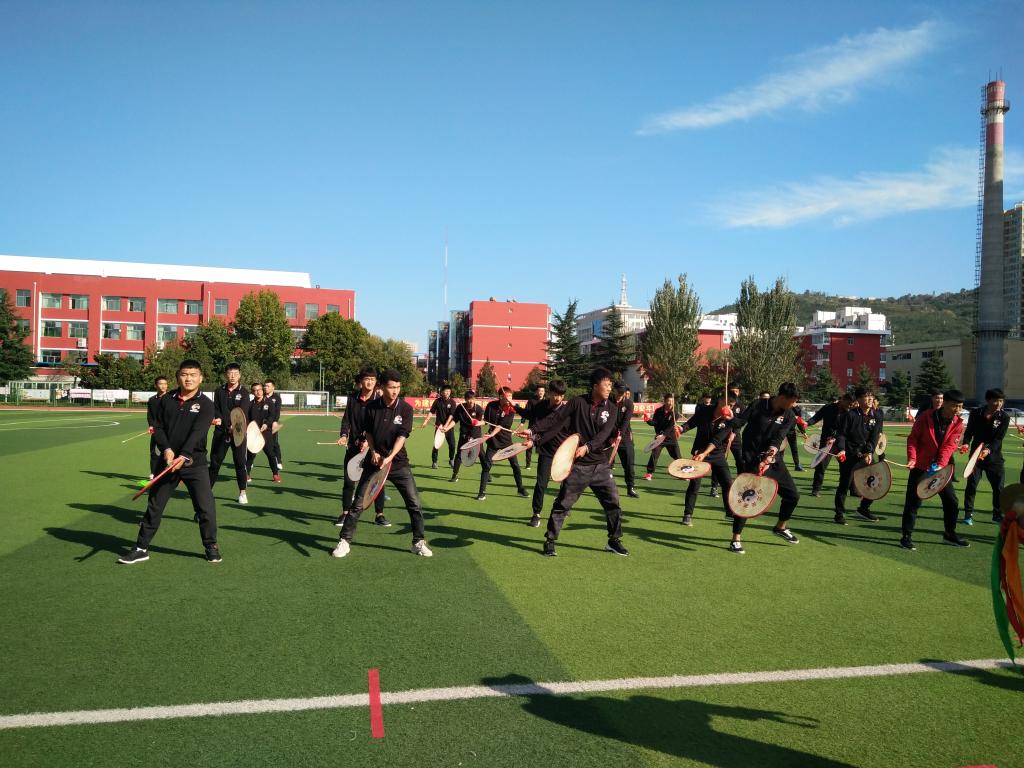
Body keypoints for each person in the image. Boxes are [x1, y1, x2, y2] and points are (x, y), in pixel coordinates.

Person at [118, 359, 221, 564]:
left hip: (194, 463)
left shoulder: (206, 404)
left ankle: (211, 546)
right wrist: (166, 449)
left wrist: (183, 455)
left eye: (193, 375)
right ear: (178, 377)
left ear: (201, 378)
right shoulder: (166, 400)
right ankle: (141, 548)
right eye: (184, 374)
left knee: (205, 507)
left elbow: (198, 433)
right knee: (154, 506)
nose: (188, 378)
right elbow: (157, 427)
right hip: (167, 462)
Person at [521, 367, 627, 557]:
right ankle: (550, 541)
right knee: (563, 504)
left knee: (613, 503)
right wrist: (533, 430)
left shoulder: (612, 408)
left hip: (600, 465)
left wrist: (588, 447)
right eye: (606, 384)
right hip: (578, 466)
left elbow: (604, 435)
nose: (610, 388)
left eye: (611, 385)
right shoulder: (578, 402)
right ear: (595, 386)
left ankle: (614, 540)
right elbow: (555, 418)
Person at [332, 369, 432, 558]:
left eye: (398, 387)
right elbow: (368, 432)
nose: (395, 391)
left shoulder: (405, 409)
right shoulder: (371, 408)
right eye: (391, 387)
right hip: (374, 462)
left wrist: (390, 456)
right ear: (382, 387)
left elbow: (402, 437)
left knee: (414, 504)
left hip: (398, 463)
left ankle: (418, 542)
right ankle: (344, 541)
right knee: (358, 504)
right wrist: (373, 451)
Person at [728, 382, 802, 554]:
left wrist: (770, 455)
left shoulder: (789, 415)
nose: (794, 404)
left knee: (792, 496)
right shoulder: (758, 405)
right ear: (782, 397)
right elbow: (740, 422)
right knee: (746, 498)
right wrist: (729, 417)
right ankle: (735, 539)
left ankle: (780, 527)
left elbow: (779, 438)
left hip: (773, 460)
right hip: (751, 460)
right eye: (792, 401)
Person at [900, 388, 970, 550]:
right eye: (955, 406)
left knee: (951, 501)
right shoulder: (925, 417)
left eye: (961, 406)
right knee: (913, 502)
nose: (958, 410)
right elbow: (913, 439)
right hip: (920, 466)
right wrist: (912, 458)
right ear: (944, 403)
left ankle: (949, 534)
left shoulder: (958, 423)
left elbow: (949, 447)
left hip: (941, 469)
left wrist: (939, 464)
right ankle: (906, 537)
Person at [336, 367, 388, 527]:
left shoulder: (379, 400)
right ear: (361, 381)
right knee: (349, 480)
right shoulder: (353, 398)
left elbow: (379, 423)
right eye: (367, 379)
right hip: (354, 446)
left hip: (374, 448)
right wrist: (344, 435)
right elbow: (346, 419)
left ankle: (379, 514)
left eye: (373, 379)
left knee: (377, 482)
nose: (370, 382)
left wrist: (368, 440)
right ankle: (345, 513)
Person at [832, 387, 882, 525]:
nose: (870, 399)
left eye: (871, 396)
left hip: (866, 454)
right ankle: (839, 514)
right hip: (850, 454)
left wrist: (869, 452)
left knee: (876, 482)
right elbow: (842, 435)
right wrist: (841, 449)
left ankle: (863, 509)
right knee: (844, 485)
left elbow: (874, 437)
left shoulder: (877, 416)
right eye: (866, 396)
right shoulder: (850, 415)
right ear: (859, 399)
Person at [682, 397, 736, 526]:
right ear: (720, 401)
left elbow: (716, 440)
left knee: (727, 483)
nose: (729, 408)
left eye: (732, 406)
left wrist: (705, 453)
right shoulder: (704, 410)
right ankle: (687, 514)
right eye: (727, 404)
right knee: (695, 484)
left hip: (717, 454)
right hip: (699, 451)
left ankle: (730, 512)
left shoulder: (729, 419)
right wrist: (681, 429)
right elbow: (691, 423)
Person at [525, 380, 569, 527]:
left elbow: (553, 430)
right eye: (556, 394)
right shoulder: (541, 407)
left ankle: (562, 506)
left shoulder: (565, 410)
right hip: (546, 451)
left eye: (561, 395)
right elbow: (537, 424)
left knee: (567, 483)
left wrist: (534, 439)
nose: (558, 398)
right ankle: (536, 514)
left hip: (563, 452)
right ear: (549, 393)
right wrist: (531, 434)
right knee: (541, 483)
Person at [963, 388, 1009, 525]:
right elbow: (969, 432)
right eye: (996, 400)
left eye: (1001, 401)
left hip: (994, 458)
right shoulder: (976, 413)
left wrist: (988, 450)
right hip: (975, 457)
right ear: (988, 400)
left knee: (998, 487)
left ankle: (997, 514)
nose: (999, 403)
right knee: (972, 485)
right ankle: (968, 515)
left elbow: (998, 439)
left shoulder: (1004, 417)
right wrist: (966, 443)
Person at [208, 362, 251, 504]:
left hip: (238, 433)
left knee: (240, 463)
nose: (232, 376)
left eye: (235, 373)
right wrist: (219, 419)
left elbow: (243, 411)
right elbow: (216, 408)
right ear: (226, 375)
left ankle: (242, 492)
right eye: (230, 373)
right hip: (221, 432)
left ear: (239, 375)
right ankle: (206, 492)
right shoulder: (219, 391)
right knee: (215, 463)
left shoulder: (244, 392)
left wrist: (235, 425)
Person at [477, 386, 529, 501]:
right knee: (487, 465)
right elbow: (486, 421)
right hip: (493, 442)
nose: (510, 398)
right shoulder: (491, 405)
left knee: (515, 465)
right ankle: (482, 492)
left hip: (506, 441)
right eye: (508, 396)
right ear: (501, 396)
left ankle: (520, 489)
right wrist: (477, 423)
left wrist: (491, 434)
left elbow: (500, 426)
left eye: (511, 396)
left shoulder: (511, 409)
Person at [807, 394, 853, 497]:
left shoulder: (849, 413)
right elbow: (816, 418)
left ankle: (849, 489)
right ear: (842, 400)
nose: (849, 406)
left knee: (846, 467)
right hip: (826, 442)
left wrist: (835, 438)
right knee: (821, 466)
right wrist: (807, 423)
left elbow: (845, 430)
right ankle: (816, 489)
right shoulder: (828, 407)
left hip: (841, 443)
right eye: (848, 403)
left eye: (851, 404)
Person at [246, 382, 281, 482]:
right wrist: (250, 428)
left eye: (259, 390)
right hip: (253, 433)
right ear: (252, 392)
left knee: (270, 454)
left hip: (266, 432)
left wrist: (266, 424)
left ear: (262, 390)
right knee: (251, 455)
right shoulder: (249, 404)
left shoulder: (269, 402)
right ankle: (247, 474)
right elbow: (247, 419)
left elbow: (272, 416)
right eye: (255, 390)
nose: (258, 392)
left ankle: (275, 474)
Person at [644, 393, 681, 480]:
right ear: (665, 401)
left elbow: (670, 427)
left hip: (670, 438)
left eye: (672, 401)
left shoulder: (675, 413)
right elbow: (655, 423)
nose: (670, 403)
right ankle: (649, 473)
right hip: (659, 438)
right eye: (669, 401)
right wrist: (648, 420)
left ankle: (682, 473)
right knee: (654, 455)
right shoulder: (658, 411)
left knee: (677, 457)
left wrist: (663, 435)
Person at [449, 390, 484, 483]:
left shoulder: (479, 409)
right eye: (468, 399)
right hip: (464, 435)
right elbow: (455, 420)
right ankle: (455, 474)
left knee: (481, 454)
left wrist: (477, 422)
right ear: (465, 399)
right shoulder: (460, 408)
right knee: (459, 454)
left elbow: (484, 422)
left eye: (472, 399)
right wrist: (447, 427)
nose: (470, 401)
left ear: (475, 399)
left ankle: (486, 473)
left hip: (476, 435)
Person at [422, 383, 457, 469]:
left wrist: (446, 426)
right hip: (439, 427)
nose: (447, 393)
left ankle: (451, 459)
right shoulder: (437, 401)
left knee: (452, 444)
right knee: (436, 445)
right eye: (445, 391)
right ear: (442, 392)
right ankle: (434, 462)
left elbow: (451, 415)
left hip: (448, 427)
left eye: (448, 391)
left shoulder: (452, 402)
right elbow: (431, 412)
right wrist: (426, 421)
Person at [612, 383, 638, 498]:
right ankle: (604, 488)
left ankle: (630, 488)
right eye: (618, 392)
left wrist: (619, 434)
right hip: (609, 438)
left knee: (629, 464)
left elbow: (626, 421)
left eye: (622, 393)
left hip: (624, 437)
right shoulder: (608, 401)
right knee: (604, 464)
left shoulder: (629, 404)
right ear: (614, 390)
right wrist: (611, 436)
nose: (620, 395)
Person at [145, 375, 169, 478]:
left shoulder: (171, 399)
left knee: (170, 452)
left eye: (165, 384)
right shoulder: (152, 400)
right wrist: (151, 425)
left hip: (169, 431)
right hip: (156, 431)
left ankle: (173, 474)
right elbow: (150, 415)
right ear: (156, 385)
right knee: (154, 453)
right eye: (160, 384)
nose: (163, 386)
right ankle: (153, 473)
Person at [519, 385, 546, 469]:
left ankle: (541, 465)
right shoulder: (531, 401)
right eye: (539, 391)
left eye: (542, 391)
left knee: (542, 446)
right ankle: (528, 464)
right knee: (529, 445)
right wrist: (522, 422)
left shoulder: (547, 402)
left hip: (543, 428)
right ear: (536, 392)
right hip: (532, 427)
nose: (541, 392)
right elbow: (526, 412)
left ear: (544, 392)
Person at [264, 379, 283, 470]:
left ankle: (278, 461)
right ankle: (250, 462)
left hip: (272, 424)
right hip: (262, 424)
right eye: (265, 386)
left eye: (268, 386)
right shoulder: (262, 396)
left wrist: (275, 421)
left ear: (273, 387)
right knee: (256, 442)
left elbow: (277, 411)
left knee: (274, 443)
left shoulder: (277, 398)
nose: (265, 387)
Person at [786, 404, 808, 471]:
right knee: (780, 449)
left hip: (791, 432)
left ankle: (797, 465)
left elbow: (799, 422)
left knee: (794, 449)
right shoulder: (784, 407)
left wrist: (804, 433)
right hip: (782, 431)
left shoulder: (797, 409)